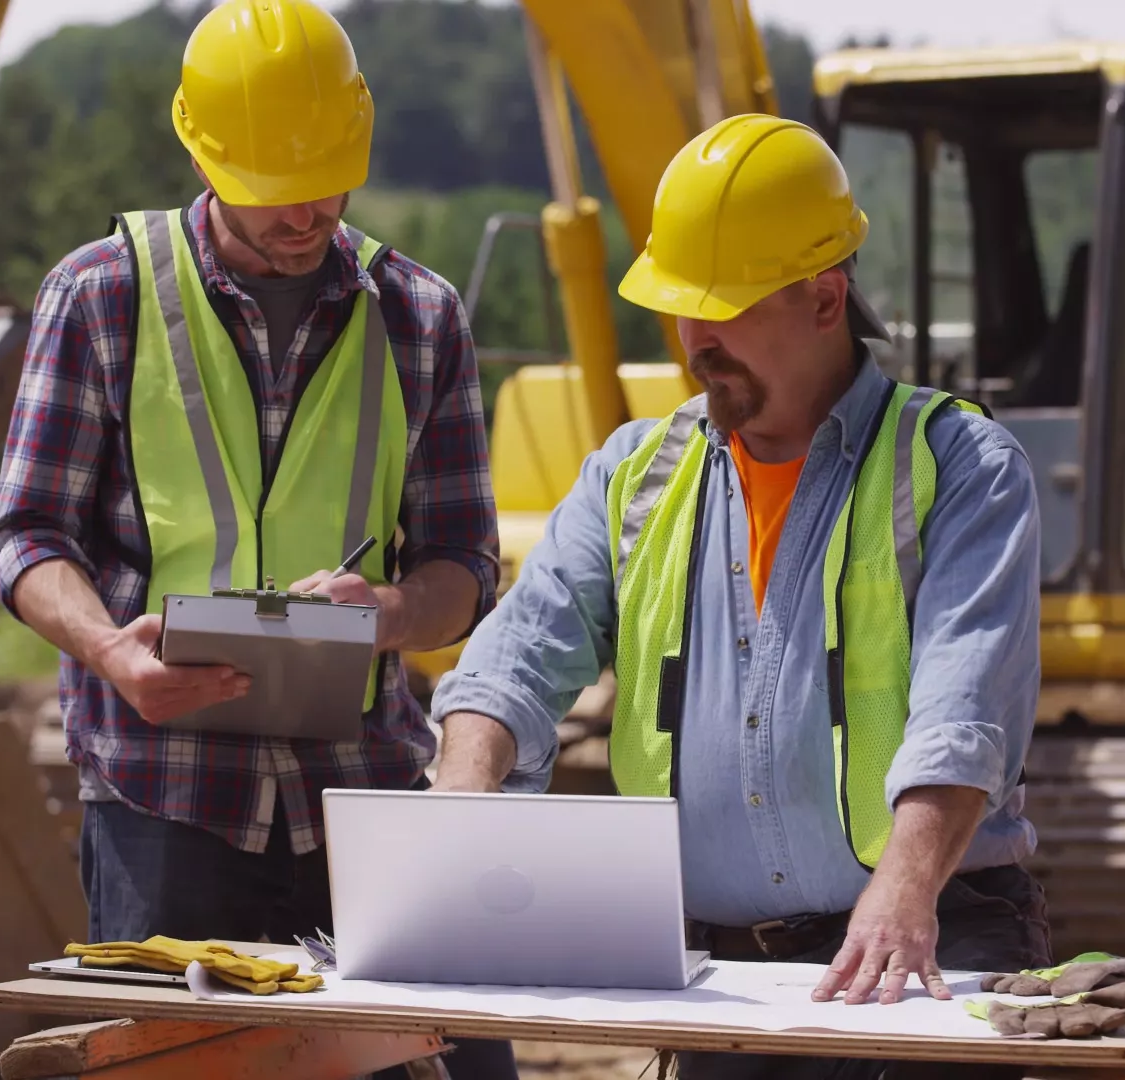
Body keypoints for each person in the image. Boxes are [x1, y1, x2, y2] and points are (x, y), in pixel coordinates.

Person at [428, 113, 1051, 1079]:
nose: (693, 340)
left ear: (824, 297)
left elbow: (963, 716)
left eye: (722, 307)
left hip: (925, 946)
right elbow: (517, 655)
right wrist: (460, 800)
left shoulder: (959, 466)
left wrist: (902, 888)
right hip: (727, 976)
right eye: (682, 308)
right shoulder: (633, 473)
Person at [0, 2, 515, 1075]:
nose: (310, 209)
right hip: (162, 806)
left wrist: (398, 615)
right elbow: (27, 534)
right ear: (206, 153)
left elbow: (465, 558)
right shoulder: (101, 297)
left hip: (367, 806)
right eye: (278, 185)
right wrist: (106, 650)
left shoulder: (420, 314)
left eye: (331, 176)